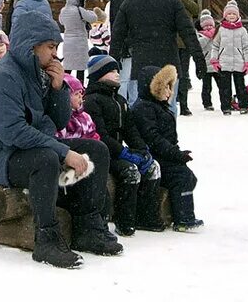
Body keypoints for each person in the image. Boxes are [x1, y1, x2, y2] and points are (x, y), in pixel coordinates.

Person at [0, 0, 121, 268]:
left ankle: (88, 226)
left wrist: (57, 89)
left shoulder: (39, 73)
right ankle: (46, 238)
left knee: (97, 149)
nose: (56, 54)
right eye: (51, 47)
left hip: (30, 148)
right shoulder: (3, 78)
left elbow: (58, 122)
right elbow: (14, 134)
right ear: (32, 45)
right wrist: (64, 151)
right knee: (46, 159)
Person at [81, 54, 165, 236]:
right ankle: (124, 220)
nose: (117, 74)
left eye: (117, 70)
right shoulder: (92, 100)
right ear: (99, 74)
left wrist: (142, 149)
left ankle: (146, 216)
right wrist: (123, 153)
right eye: (111, 71)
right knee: (130, 171)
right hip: (104, 155)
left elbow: (130, 130)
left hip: (119, 151)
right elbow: (100, 134)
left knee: (153, 167)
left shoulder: (120, 101)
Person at [110, 0, 206, 116]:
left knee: (138, 105)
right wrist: (199, 60)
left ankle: (142, 137)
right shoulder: (173, 2)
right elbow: (188, 33)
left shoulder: (130, 2)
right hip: (168, 62)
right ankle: (168, 138)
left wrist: (113, 61)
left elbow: (117, 35)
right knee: (169, 106)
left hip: (141, 63)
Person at [131, 64, 204, 232]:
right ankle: (184, 218)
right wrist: (176, 154)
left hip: (164, 155)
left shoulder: (157, 107)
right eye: (165, 88)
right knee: (183, 177)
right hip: (152, 157)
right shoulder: (144, 108)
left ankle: (179, 213)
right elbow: (154, 139)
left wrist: (176, 154)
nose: (169, 92)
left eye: (171, 88)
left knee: (187, 176)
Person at [165, 0, 200, 115]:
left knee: (183, 74)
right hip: (170, 43)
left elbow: (196, 9)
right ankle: (170, 100)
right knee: (170, 74)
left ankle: (184, 104)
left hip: (184, 43)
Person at [209, 0, 248, 114]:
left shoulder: (242, 30)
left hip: (239, 62)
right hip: (224, 63)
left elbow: (246, 48)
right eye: (229, 14)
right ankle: (226, 107)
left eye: (234, 14)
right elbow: (215, 46)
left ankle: (243, 106)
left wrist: (247, 62)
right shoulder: (221, 29)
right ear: (225, 16)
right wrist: (214, 60)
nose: (231, 16)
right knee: (225, 88)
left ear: (238, 15)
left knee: (241, 87)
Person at [108, 0, 139, 104]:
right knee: (125, 79)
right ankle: (123, 105)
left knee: (132, 79)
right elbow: (119, 24)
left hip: (127, 44)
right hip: (125, 46)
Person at [59, 0, 96, 83]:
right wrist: (90, 12)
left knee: (68, 67)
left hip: (68, 43)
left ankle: (66, 86)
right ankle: (80, 87)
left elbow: (61, 21)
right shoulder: (79, 10)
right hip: (80, 43)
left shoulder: (63, 10)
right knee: (80, 68)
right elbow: (93, 18)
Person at [55, 76, 100, 140]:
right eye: (76, 94)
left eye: (81, 92)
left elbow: (92, 134)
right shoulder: (61, 119)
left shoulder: (86, 117)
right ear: (65, 97)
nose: (80, 96)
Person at [197, 9, 220, 110]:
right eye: (206, 26)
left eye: (210, 25)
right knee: (207, 87)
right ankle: (207, 103)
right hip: (206, 64)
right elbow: (198, 46)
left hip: (216, 63)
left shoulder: (217, 34)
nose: (208, 28)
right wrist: (206, 37)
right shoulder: (199, 35)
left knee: (222, 85)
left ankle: (226, 101)